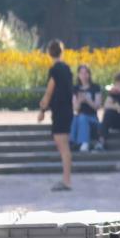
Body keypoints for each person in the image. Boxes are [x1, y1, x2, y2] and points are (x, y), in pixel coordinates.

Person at [38, 39, 73, 191]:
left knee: (63, 147)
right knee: (64, 146)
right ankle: (66, 180)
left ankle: (66, 181)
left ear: (49, 53)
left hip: (59, 112)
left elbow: (49, 92)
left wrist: (42, 110)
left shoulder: (55, 70)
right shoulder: (67, 68)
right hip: (67, 110)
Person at [70, 64, 102, 152]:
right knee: (75, 117)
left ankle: (84, 142)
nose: (84, 75)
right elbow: (75, 108)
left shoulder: (95, 88)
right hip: (80, 117)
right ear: (78, 75)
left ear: (89, 74)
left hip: (92, 118)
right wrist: (80, 101)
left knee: (82, 117)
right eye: (81, 73)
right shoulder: (75, 89)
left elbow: (97, 106)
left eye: (86, 73)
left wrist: (88, 100)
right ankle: (72, 142)